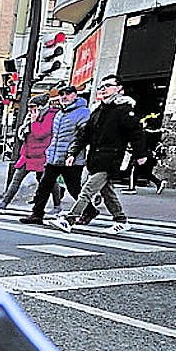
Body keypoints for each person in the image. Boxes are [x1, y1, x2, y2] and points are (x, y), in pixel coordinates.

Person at [53, 75, 147, 234]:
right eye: (101, 87)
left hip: (110, 158)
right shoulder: (98, 110)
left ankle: (70, 219)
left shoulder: (124, 110)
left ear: (119, 89)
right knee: (107, 192)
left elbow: (136, 133)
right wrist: (73, 152)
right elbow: (85, 134)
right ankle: (121, 220)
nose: (103, 89)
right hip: (95, 158)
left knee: (87, 190)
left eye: (108, 86)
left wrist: (140, 154)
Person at [19, 85, 90, 225]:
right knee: (44, 186)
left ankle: (90, 210)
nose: (64, 97)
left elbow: (83, 136)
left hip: (70, 159)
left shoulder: (83, 113)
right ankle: (37, 214)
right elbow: (55, 136)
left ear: (75, 95)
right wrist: (50, 152)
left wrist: (73, 153)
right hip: (54, 157)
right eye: (62, 94)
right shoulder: (60, 113)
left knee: (74, 188)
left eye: (68, 94)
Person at [0, 96, 63, 213]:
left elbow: (41, 134)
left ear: (40, 107)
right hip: (28, 154)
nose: (30, 109)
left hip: (42, 155)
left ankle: (57, 206)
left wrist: (34, 122)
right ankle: (4, 202)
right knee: (16, 179)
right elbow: (23, 134)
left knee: (50, 182)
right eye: (29, 107)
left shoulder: (50, 116)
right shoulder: (30, 117)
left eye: (33, 106)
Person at [125, 113, 167, 194]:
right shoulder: (154, 134)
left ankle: (131, 188)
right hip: (150, 155)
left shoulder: (143, 134)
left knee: (134, 171)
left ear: (146, 123)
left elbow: (141, 145)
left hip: (142, 155)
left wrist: (138, 154)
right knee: (146, 173)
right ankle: (158, 183)